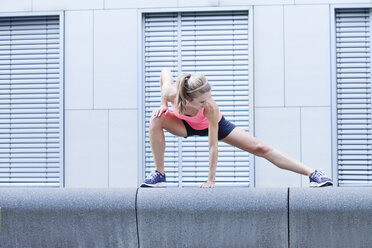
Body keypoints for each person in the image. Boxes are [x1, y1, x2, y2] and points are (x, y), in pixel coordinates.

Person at [140, 68, 333, 188]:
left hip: (213, 126)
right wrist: (164, 107)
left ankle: (313, 173)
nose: (208, 102)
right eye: (202, 100)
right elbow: (165, 71)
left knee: (260, 148)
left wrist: (211, 180)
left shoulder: (210, 108)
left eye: (209, 97)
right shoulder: (172, 92)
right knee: (156, 119)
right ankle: (159, 174)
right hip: (184, 125)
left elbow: (212, 146)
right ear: (188, 98)